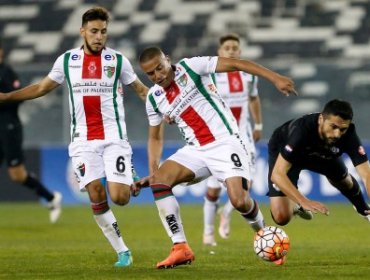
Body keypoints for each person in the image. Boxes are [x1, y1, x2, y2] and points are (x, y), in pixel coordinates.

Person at [0, 7, 148, 268]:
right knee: (95, 192)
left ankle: (128, 169)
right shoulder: (67, 61)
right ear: (82, 31)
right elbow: (42, 87)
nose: (99, 36)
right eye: (94, 31)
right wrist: (8, 97)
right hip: (82, 140)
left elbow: (140, 89)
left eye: (103, 32)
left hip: (114, 137)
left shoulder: (118, 61)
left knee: (121, 198)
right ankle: (123, 251)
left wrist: (169, 104)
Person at [137, 46, 297, 269]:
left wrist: (275, 77)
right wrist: (154, 170)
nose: (157, 76)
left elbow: (237, 64)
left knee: (239, 200)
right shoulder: (154, 98)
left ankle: (263, 232)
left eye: (159, 68)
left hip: (225, 142)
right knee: (159, 181)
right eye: (150, 74)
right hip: (196, 150)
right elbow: (154, 139)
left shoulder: (191, 67)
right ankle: (180, 247)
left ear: (167, 59)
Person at [202, 33, 263, 246]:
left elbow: (254, 98)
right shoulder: (211, 75)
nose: (231, 51)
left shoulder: (249, 75)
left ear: (239, 51)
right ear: (220, 52)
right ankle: (208, 234)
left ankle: (226, 212)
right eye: (227, 47)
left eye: (235, 48)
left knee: (246, 186)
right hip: (218, 139)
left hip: (244, 139)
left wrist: (258, 124)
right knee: (213, 189)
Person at [268, 99, 370, 226]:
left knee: (345, 181)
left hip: (323, 152)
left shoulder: (349, 135)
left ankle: (364, 210)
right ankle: (295, 205)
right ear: (321, 119)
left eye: (342, 129)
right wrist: (303, 201)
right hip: (289, 154)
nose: (337, 134)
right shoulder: (301, 131)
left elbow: (366, 174)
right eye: (333, 127)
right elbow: (277, 174)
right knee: (281, 217)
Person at [0, 44, 62, 223]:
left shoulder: (7, 72)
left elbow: (16, 100)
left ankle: (51, 198)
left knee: (17, 175)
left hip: (9, 127)